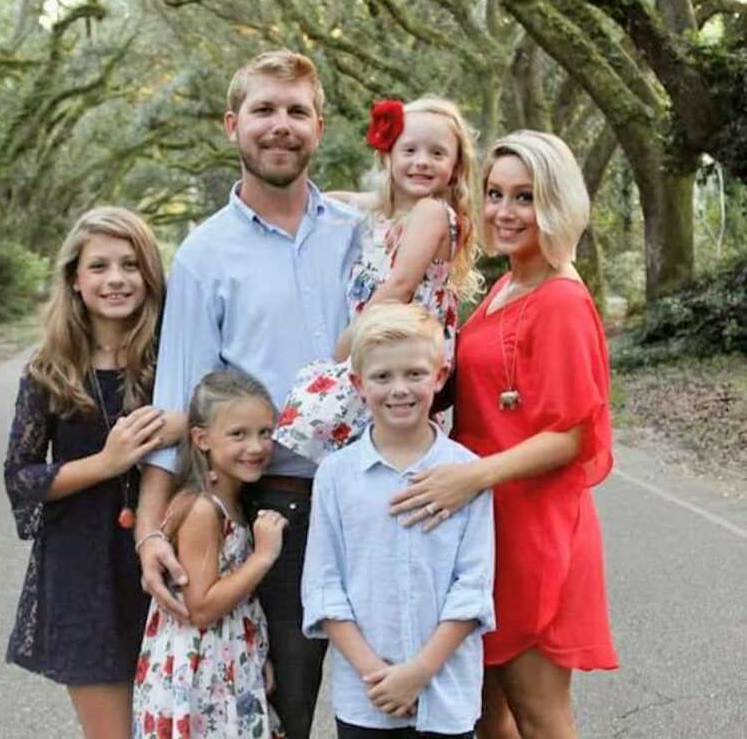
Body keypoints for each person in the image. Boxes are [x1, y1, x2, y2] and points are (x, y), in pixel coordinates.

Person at [136, 48, 362, 739]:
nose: (280, 125)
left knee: (390, 692)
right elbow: (182, 407)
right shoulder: (205, 255)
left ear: (319, 128)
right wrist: (150, 530)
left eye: (297, 111)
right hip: (276, 506)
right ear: (233, 125)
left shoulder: (362, 235)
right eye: (264, 109)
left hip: (372, 492)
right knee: (280, 705)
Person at [390, 131, 617, 739]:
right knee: (485, 717)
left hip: (535, 528)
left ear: (556, 204)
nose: (504, 212)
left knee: (539, 715)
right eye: (495, 194)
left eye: (525, 197)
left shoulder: (561, 299)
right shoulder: (506, 286)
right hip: (487, 525)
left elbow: (571, 433)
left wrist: (472, 476)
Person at [4, 206, 184, 739]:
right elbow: (21, 477)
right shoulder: (50, 370)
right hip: (83, 570)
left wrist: (186, 421)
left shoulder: (172, 358)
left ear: (150, 274)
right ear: (75, 281)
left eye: (130, 265)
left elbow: (228, 424)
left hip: (169, 558)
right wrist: (106, 463)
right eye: (99, 266)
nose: (116, 279)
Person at [302, 302, 495, 739]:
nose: (400, 389)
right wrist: (377, 674)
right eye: (383, 377)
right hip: (367, 697)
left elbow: (473, 588)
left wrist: (419, 673)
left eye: (414, 374)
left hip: (445, 693)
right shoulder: (336, 476)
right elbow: (324, 586)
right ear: (358, 383)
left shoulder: (466, 473)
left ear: (440, 376)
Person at [275, 96, 481, 462]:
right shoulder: (386, 211)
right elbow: (345, 200)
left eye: (437, 153)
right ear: (388, 155)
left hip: (401, 341)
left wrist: (347, 344)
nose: (421, 161)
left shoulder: (432, 212)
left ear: (455, 166)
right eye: (410, 150)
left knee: (311, 402)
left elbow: (400, 286)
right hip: (382, 340)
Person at [132, 369, 289, 739]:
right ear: (201, 439)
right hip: (199, 681)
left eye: (265, 432)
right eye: (239, 434)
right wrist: (263, 556)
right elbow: (201, 608)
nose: (256, 446)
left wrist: (252, 656)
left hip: (226, 666)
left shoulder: (231, 498)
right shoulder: (203, 508)